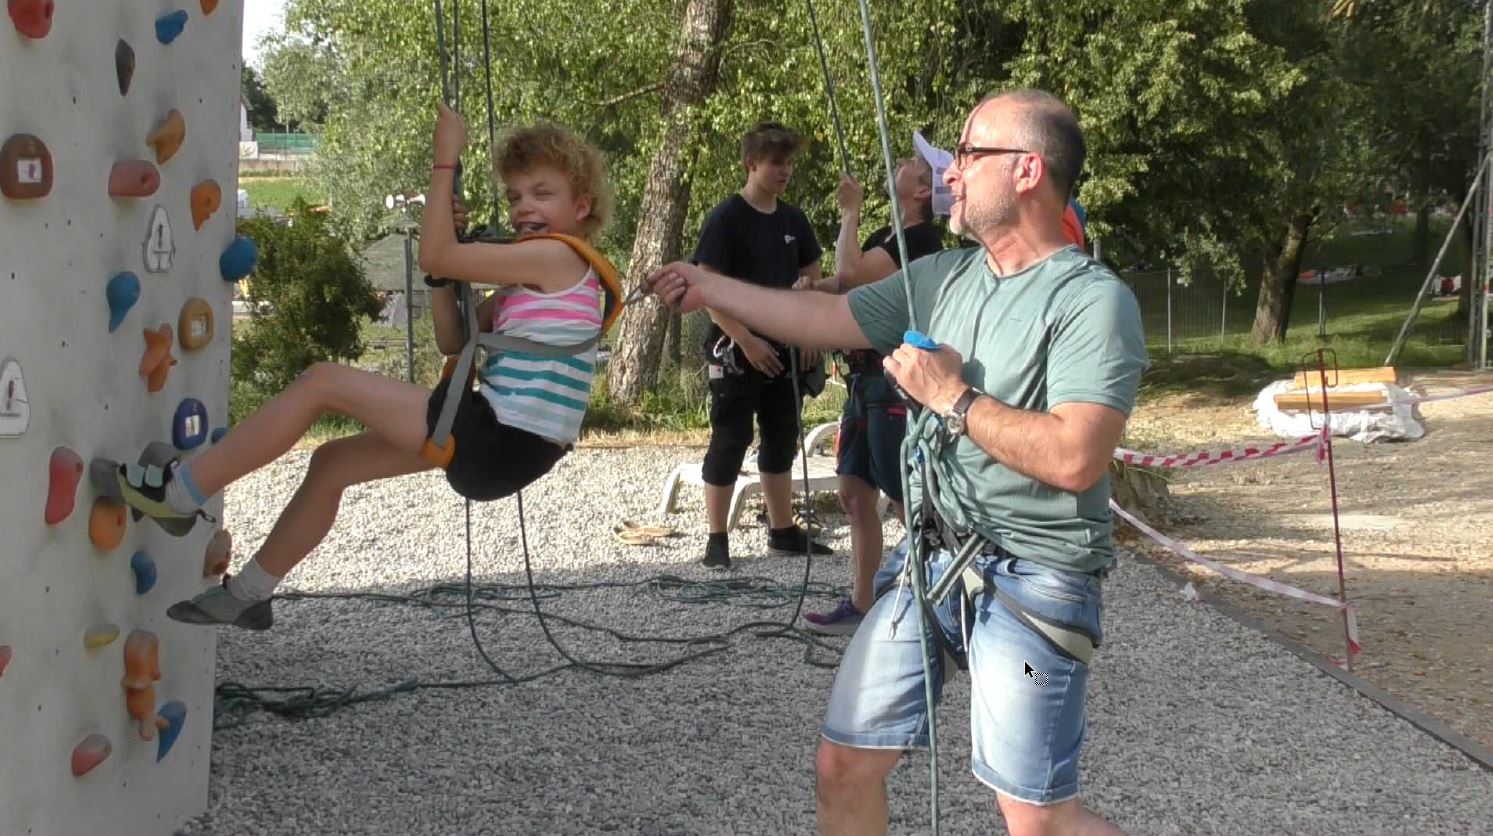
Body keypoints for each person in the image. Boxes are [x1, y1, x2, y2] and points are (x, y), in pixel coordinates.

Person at [645, 89, 1147, 835]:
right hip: (931, 560)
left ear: (1027, 170)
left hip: (1035, 574)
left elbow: (1077, 457)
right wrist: (709, 285)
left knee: (1036, 817)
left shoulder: (1091, 301)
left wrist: (953, 397)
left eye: (969, 153)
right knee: (842, 763)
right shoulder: (941, 277)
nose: (951, 172)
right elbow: (826, 315)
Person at [112, 102, 615, 631]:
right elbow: (453, 339)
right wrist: (443, 271)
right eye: (515, 196)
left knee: (321, 382)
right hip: (508, 444)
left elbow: (436, 254)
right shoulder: (527, 284)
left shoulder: (558, 258)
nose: (524, 208)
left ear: (581, 206)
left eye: (542, 194)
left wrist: (444, 160)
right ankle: (249, 595)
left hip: (500, 436)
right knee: (332, 464)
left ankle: (180, 493)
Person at [799, 152, 944, 636]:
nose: (899, 160)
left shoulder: (919, 240)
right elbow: (845, 281)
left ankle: (940, 598)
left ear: (921, 192)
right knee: (854, 493)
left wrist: (849, 213)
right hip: (865, 378)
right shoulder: (889, 235)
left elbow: (854, 274)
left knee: (902, 495)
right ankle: (863, 604)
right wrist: (812, 288)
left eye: (912, 164)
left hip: (893, 381)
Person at [692, 120, 831, 570]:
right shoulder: (725, 219)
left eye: (788, 162)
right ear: (751, 164)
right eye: (775, 162)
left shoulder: (794, 220)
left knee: (782, 437)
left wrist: (808, 331)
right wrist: (746, 340)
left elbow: (813, 278)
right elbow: (706, 291)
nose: (784, 170)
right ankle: (717, 539)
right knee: (731, 438)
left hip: (787, 346)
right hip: (735, 349)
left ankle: (783, 529)